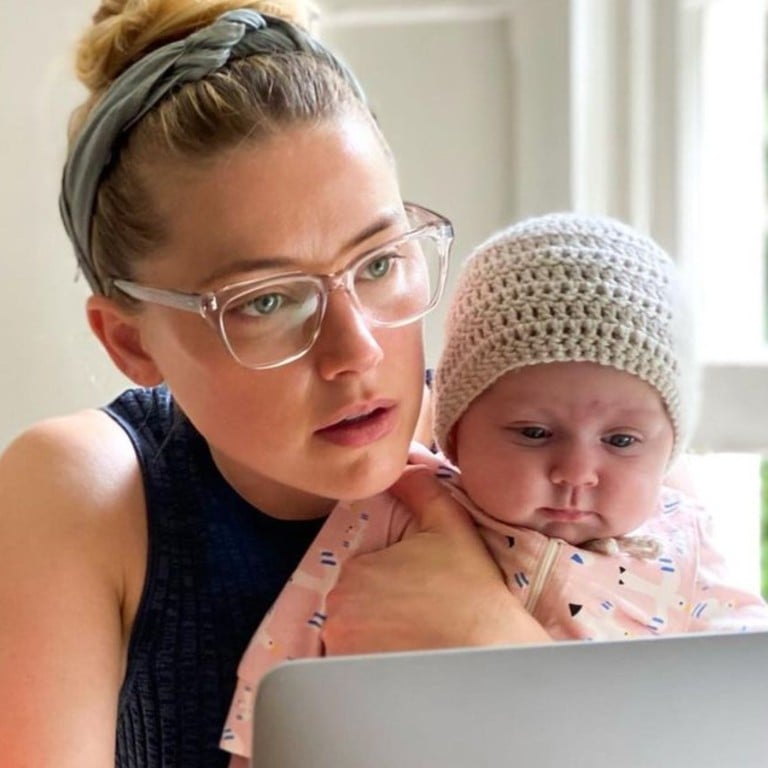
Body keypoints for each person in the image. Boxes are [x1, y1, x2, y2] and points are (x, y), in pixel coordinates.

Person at [0, 3, 550, 767]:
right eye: (266, 301)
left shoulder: (544, 439)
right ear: (130, 341)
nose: (355, 351)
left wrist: (508, 650)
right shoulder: (84, 494)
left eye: (381, 262)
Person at [222, 211, 768, 762]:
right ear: (456, 432)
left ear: (667, 447)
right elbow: (281, 667)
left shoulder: (687, 542)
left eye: (622, 441)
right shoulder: (395, 507)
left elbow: (749, 692)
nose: (576, 472)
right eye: (533, 433)